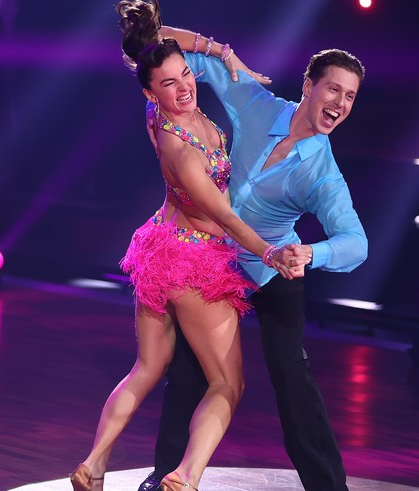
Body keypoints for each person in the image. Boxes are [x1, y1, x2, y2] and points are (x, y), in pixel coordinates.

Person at [69, 2, 310, 490]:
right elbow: (221, 217)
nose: (184, 88)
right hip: (193, 263)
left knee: (147, 367)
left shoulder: (162, 109)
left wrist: (222, 53)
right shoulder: (180, 149)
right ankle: (186, 475)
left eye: (185, 76)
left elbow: (155, 41)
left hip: (160, 245)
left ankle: (93, 465)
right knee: (228, 383)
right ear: (149, 92)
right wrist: (268, 253)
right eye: (169, 84)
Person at [137, 25, 368, 491]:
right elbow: (162, 49)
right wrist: (221, 52)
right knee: (187, 373)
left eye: (350, 96)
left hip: (272, 269)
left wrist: (310, 252)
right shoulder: (255, 103)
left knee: (292, 380)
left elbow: (355, 242)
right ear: (308, 86)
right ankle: (165, 479)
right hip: (215, 262)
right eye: (333, 89)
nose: (340, 103)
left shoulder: (322, 173)